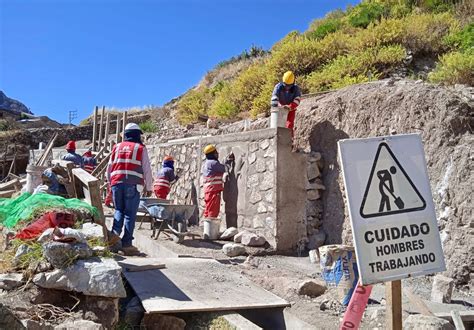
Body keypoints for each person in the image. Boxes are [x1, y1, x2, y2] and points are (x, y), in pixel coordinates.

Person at [107, 123, 153, 254]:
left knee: (118, 210)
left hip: (116, 183)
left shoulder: (116, 147)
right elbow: (147, 169)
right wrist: (149, 187)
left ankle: (114, 239)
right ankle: (127, 244)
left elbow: (109, 168)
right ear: (137, 134)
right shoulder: (140, 148)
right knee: (130, 214)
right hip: (133, 185)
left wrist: (111, 184)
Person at [201, 144, 234, 219]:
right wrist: (229, 161)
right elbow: (225, 168)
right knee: (213, 211)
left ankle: (207, 229)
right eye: (216, 153)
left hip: (209, 191)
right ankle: (211, 230)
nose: (218, 154)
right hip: (213, 191)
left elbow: (219, 166)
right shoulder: (213, 163)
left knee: (208, 210)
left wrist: (226, 160)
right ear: (212, 154)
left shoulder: (207, 163)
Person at [270, 71, 302, 137]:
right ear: (283, 82)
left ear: (293, 83)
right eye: (286, 85)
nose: (287, 87)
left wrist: (290, 107)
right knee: (277, 126)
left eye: (289, 86)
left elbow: (297, 100)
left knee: (289, 126)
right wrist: (276, 107)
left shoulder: (296, 89)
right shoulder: (278, 87)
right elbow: (274, 97)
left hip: (291, 110)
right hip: (280, 109)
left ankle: (289, 142)